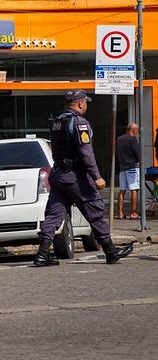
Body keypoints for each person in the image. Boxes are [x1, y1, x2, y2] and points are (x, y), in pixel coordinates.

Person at [35, 90, 134, 266]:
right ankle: (110, 251)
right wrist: (97, 176)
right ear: (80, 104)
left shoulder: (57, 122)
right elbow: (85, 152)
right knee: (95, 210)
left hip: (58, 174)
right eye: (85, 102)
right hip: (75, 176)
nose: (86, 105)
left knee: (53, 214)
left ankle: (42, 253)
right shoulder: (79, 123)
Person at [116, 123, 140, 220]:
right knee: (134, 189)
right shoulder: (132, 139)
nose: (137, 132)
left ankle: (120, 213)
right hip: (132, 167)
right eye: (137, 130)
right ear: (133, 130)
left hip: (122, 167)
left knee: (122, 190)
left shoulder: (119, 139)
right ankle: (133, 213)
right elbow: (138, 153)